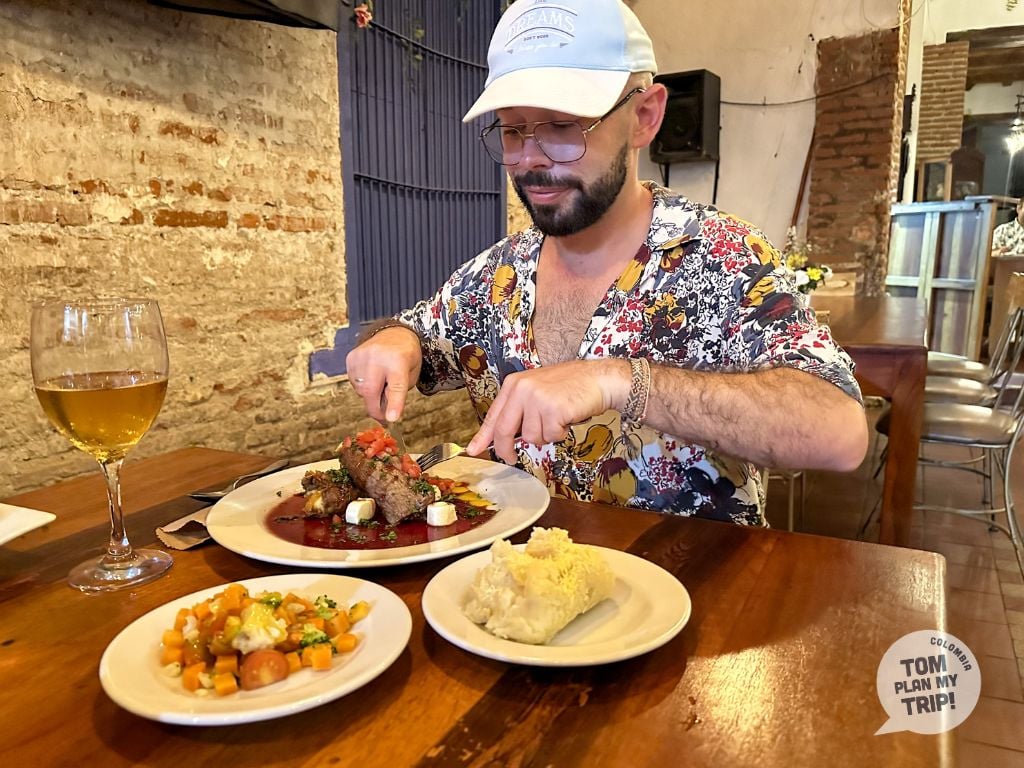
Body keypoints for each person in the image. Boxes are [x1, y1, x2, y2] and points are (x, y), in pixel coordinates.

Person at [346, 0, 867, 525]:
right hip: (516, 591)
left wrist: (619, 382)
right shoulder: (493, 278)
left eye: (562, 127)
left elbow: (839, 433)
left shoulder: (723, 258)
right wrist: (394, 340)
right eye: (511, 130)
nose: (530, 159)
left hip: (694, 591)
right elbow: (416, 334)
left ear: (644, 116)